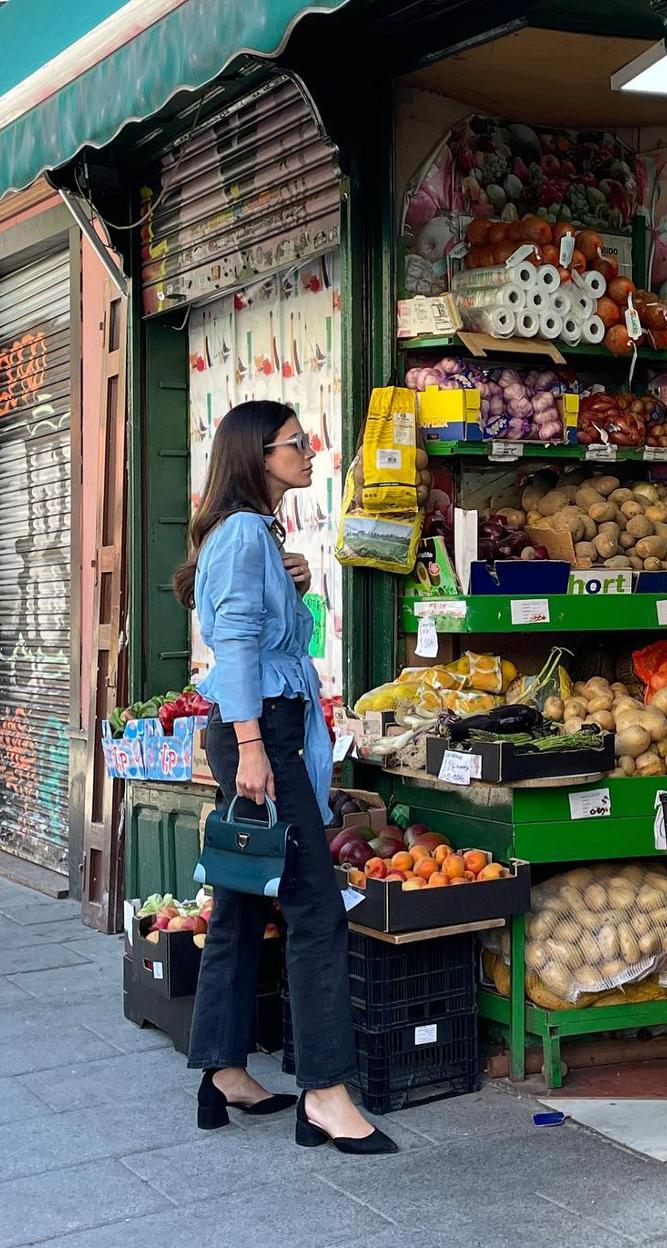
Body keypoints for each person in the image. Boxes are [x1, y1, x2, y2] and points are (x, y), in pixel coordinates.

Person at [172, 400, 397, 1155]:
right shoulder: (242, 533)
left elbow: (259, 627)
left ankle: (222, 1069)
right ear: (256, 456)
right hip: (259, 729)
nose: (308, 451)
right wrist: (253, 748)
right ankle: (327, 1092)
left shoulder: (255, 534)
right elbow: (232, 644)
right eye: (295, 443)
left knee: (240, 897)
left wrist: (291, 575)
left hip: (259, 726)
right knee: (313, 908)